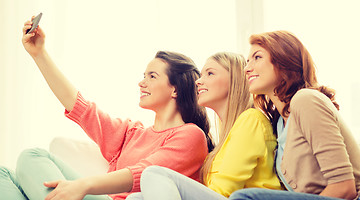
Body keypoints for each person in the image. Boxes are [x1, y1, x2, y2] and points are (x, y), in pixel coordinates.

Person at [0, 17, 215, 200]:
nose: (142, 83)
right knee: (3, 173)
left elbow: (146, 173)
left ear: (175, 89)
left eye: (152, 76)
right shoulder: (132, 134)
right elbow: (81, 108)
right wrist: (39, 54)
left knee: (33, 155)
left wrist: (83, 185)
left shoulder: (191, 136)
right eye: (143, 76)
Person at [126, 52, 282, 200]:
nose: (198, 81)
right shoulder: (227, 135)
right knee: (136, 198)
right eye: (201, 75)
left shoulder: (251, 120)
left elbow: (224, 190)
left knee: (154, 174)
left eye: (210, 74)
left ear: (234, 80)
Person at [228, 30, 360, 200]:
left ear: (283, 60)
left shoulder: (306, 100)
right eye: (247, 61)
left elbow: (344, 188)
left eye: (257, 57)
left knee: (245, 198)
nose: (247, 68)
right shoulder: (280, 123)